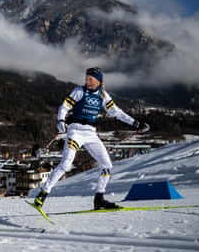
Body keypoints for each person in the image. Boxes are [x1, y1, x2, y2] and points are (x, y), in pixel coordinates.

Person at [34, 67, 149, 210]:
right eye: (86, 78)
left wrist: (136, 123)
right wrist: (61, 121)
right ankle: (42, 194)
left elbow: (117, 113)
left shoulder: (103, 96)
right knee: (65, 164)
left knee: (107, 165)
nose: (87, 81)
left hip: (91, 134)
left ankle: (99, 199)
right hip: (75, 132)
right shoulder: (79, 91)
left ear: (99, 81)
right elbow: (64, 107)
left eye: (91, 79)